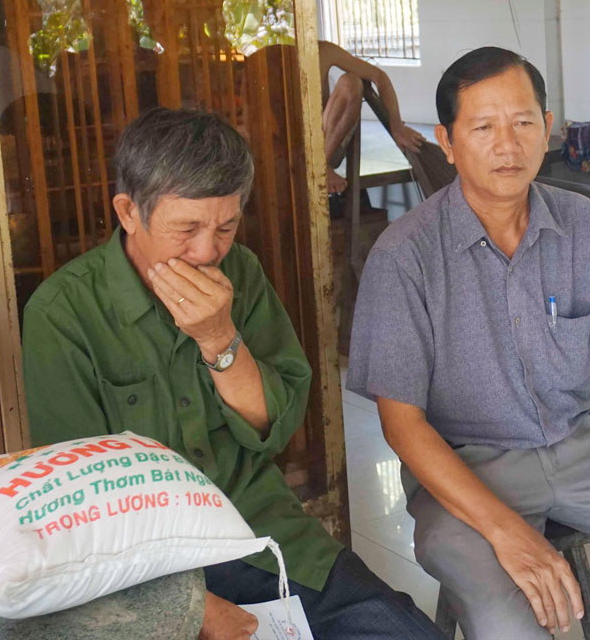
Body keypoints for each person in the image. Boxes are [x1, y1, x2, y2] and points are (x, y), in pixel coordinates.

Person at [347, 47, 590, 639]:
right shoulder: (404, 256)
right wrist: (505, 530)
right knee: (509, 624)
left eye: (523, 123)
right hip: (468, 469)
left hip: (583, 449)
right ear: (447, 140)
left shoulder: (583, 225)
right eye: (483, 127)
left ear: (547, 126)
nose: (507, 146)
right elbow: (402, 425)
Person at [22, 107, 445, 640]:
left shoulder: (239, 270)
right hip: (145, 568)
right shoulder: (63, 313)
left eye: (225, 226)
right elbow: (79, 502)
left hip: (261, 535)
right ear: (129, 212)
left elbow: (278, 423)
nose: (207, 251)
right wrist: (189, 605)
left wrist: (219, 339)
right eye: (187, 228)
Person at [319, 40, 425, 194]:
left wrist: (396, 126)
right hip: (288, 149)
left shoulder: (323, 50)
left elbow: (380, 77)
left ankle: (321, 166)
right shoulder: (274, 59)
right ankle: (318, 166)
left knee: (351, 81)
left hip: (325, 144)